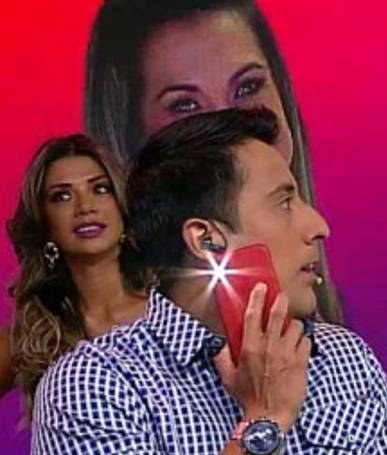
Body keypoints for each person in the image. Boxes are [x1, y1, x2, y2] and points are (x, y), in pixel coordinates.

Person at [30, 109, 387, 455]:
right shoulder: (95, 385)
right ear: (207, 240)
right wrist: (266, 417)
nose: (318, 226)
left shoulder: (343, 359)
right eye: (284, 203)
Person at [84, 0, 342, 323]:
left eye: (248, 87)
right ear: (127, 138)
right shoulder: (101, 352)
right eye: (185, 106)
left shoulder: (342, 342)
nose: (233, 128)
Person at [4, 135, 149, 414]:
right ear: (44, 222)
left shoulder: (171, 312)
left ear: (122, 205)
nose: (85, 207)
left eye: (101, 189)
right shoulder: (34, 333)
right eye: (62, 197)